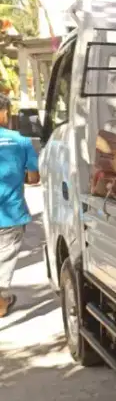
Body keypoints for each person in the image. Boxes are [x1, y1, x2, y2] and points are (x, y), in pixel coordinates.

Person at [0, 93, 39, 318]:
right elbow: (34, 178)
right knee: (4, 259)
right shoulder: (21, 140)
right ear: (4, 113)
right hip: (10, 215)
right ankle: (1, 302)